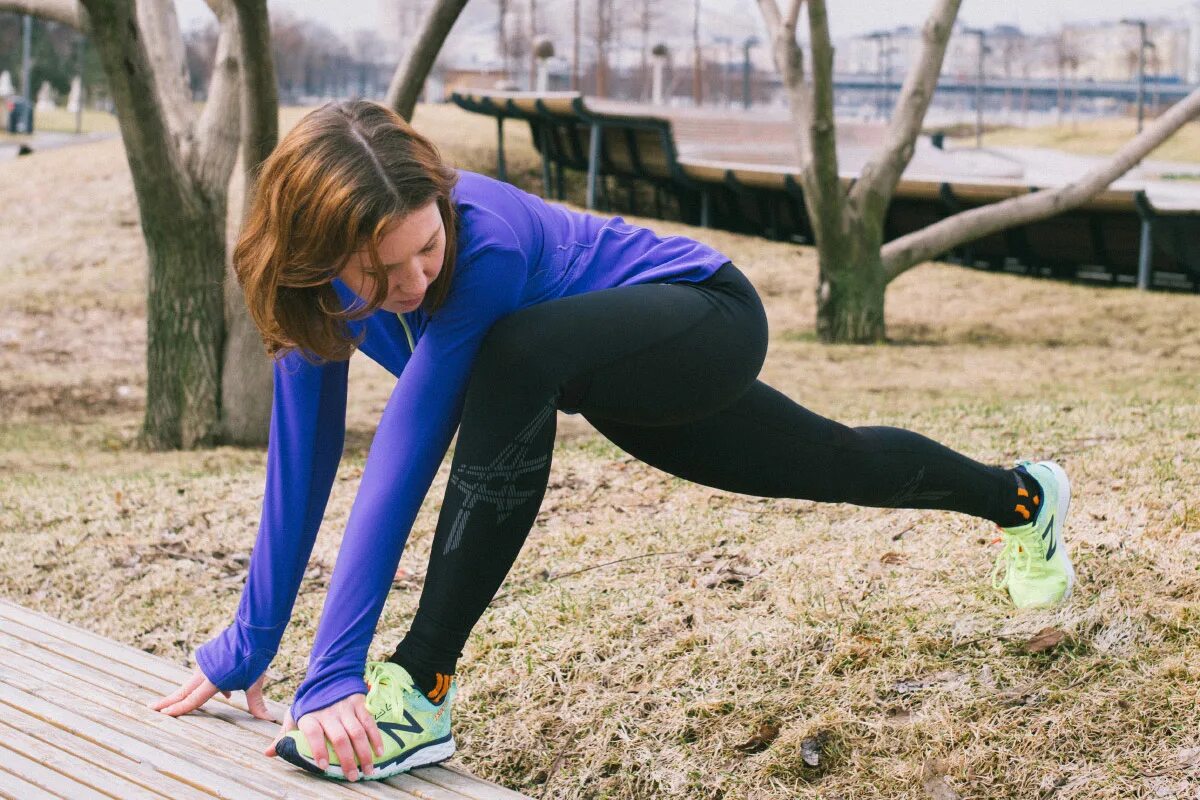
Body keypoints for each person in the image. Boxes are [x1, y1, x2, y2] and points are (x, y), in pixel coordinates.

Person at [149, 98, 1075, 783]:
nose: (414, 280)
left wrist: (337, 675)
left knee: (511, 357)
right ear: (315, 259)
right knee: (835, 461)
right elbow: (301, 467)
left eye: (424, 248)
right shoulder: (313, 296)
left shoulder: (486, 247)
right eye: (379, 268)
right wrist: (246, 643)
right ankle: (1024, 498)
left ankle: (420, 688)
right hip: (597, 376)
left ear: (440, 205)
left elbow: (403, 459)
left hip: (702, 316)